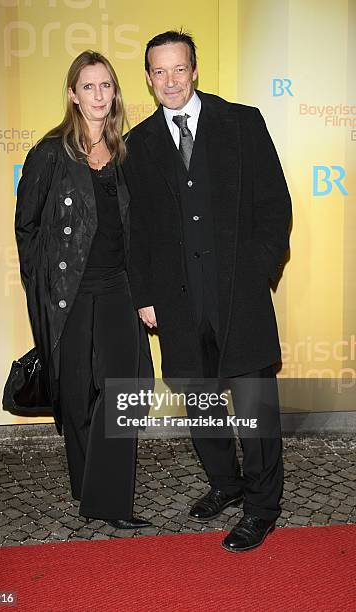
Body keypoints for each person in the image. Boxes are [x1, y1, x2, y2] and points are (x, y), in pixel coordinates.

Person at [123, 30, 292, 551]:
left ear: (194, 69)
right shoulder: (140, 143)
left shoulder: (241, 123)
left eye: (179, 69)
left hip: (239, 297)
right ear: (149, 78)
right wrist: (146, 296)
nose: (170, 81)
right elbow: (140, 231)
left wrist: (259, 269)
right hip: (177, 301)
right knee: (200, 406)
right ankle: (226, 483)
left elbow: (274, 205)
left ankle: (263, 507)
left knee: (255, 409)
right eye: (159, 72)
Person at [15, 50, 153, 530]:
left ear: (116, 92)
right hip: (68, 295)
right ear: (73, 95)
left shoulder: (129, 152)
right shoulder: (51, 153)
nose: (99, 95)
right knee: (76, 397)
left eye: (107, 86)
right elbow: (27, 228)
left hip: (118, 288)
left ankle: (109, 501)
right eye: (89, 86)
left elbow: (141, 231)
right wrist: (43, 290)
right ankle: (86, 488)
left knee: (125, 392)